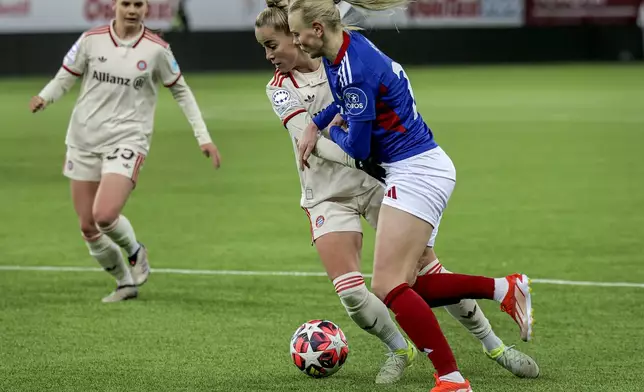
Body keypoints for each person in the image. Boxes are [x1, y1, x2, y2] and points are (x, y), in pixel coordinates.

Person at [257, 0, 538, 385]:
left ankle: (489, 348)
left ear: (301, 35)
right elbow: (318, 135)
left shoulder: (340, 58)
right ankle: (403, 350)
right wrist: (319, 125)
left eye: (272, 44)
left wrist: (334, 135)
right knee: (367, 294)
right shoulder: (298, 77)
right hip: (330, 191)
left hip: (386, 176)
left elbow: (352, 140)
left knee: (412, 276)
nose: (268, 55)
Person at [29, 0, 221, 303]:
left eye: (139, 4)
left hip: (128, 139)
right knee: (88, 226)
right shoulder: (91, 40)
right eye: (126, 3)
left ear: (146, 8)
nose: (132, 9)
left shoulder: (156, 49)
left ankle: (134, 250)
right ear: (115, 5)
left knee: (105, 214)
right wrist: (45, 97)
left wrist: (204, 137)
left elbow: (181, 91)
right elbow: (66, 75)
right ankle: (124, 283)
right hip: (83, 138)